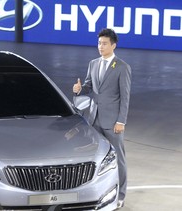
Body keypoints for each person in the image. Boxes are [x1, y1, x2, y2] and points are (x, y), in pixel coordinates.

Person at [73, 28, 131, 209]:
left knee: (118, 157)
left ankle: (120, 194)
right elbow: (90, 85)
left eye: (104, 43)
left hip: (113, 121)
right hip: (94, 119)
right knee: (95, 157)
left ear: (113, 45)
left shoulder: (122, 67)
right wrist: (80, 89)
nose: (101, 46)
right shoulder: (93, 63)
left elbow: (125, 96)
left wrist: (121, 121)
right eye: (99, 43)